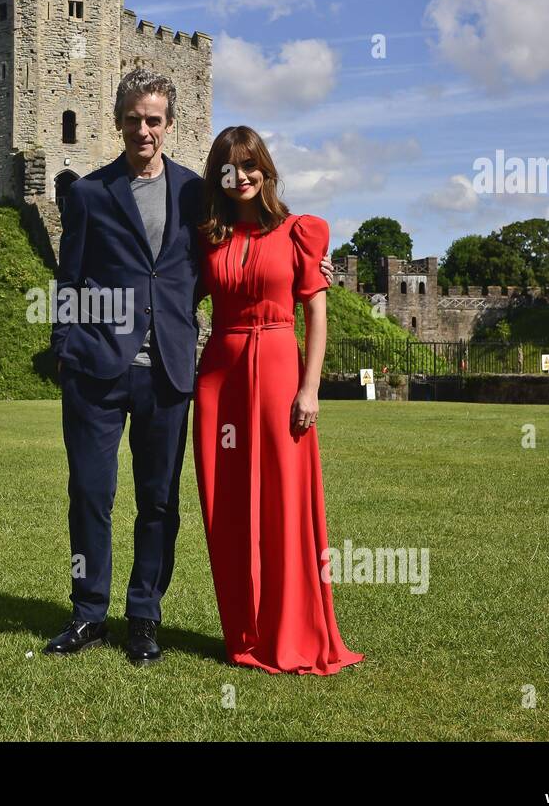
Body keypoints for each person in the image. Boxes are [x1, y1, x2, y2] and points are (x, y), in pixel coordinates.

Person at [45, 70, 334, 666]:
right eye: (133, 118)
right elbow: (67, 281)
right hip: (96, 371)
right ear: (118, 121)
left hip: (168, 373)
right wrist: (65, 350)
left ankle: (144, 617)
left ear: (169, 125)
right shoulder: (91, 194)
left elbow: (226, 266)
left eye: (153, 119)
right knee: (90, 494)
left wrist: (299, 282)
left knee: (159, 503)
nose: (143, 129)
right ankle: (87, 613)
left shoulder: (193, 196)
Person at [192, 125, 364, 675]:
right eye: (227, 168)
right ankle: (243, 630)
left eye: (248, 166)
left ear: (265, 169)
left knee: (286, 503)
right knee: (225, 506)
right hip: (220, 374)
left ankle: (293, 631)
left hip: (278, 371)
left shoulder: (299, 232)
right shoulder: (208, 235)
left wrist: (310, 388)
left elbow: (315, 311)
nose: (239, 177)